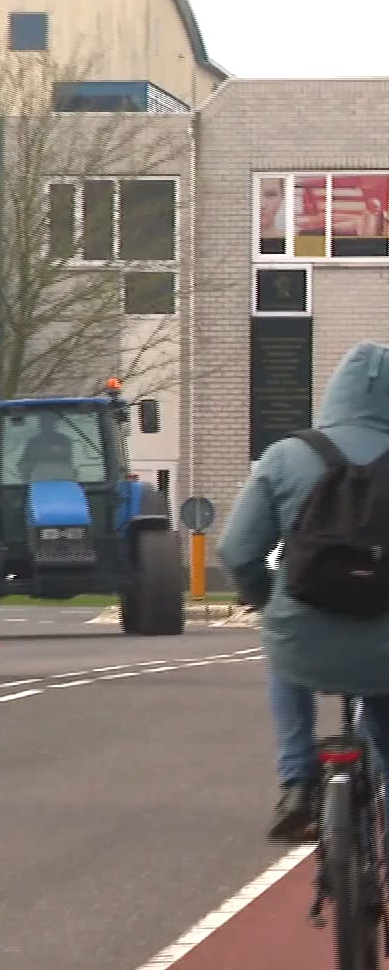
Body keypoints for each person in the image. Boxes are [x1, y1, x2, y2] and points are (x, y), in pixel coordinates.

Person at [217, 339, 389, 843]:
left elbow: (237, 550)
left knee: (285, 660)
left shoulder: (289, 455)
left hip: (304, 632)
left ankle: (296, 780)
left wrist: (267, 601)